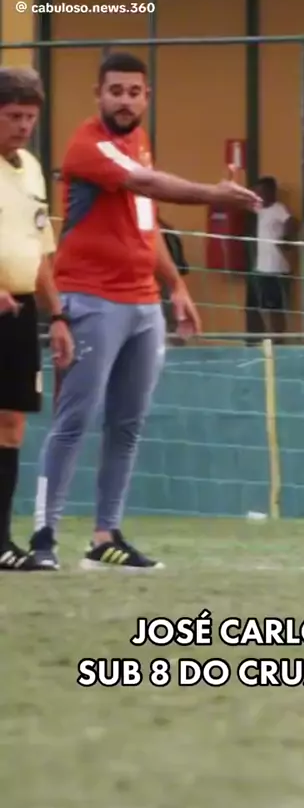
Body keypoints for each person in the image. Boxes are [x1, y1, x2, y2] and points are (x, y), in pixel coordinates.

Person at [28, 52, 261, 572]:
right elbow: (149, 186)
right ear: (98, 94)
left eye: (134, 92)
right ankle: (44, 536)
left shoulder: (139, 144)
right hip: (91, 299)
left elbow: (145, 223)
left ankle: (105, 536)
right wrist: (214, 194)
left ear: (147, 97)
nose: (125, 101)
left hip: (143, 305)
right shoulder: (88, 146)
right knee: (74, 420)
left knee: (127, 424)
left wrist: (176, 286)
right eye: (116, 91)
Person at [0, 67, 74, 571]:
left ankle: (1, 542)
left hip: (20, 310)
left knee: (11, 424)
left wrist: (59, 314)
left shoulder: (30, 168)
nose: (23, 126)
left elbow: (40, 248)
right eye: (13, 116)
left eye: (29, 117)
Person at [246, 176, 297, 344]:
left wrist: (286, 239)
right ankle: (264, 339)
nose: (258, 195)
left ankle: (278, 341)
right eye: (257, 192)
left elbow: (292, 222)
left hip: (276, 268)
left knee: (276, 308)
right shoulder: (261, 209)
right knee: (260, 307)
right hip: (261, 268)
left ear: (271, 192)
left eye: (261, 192)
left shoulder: (278, 208)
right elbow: (243, 204)